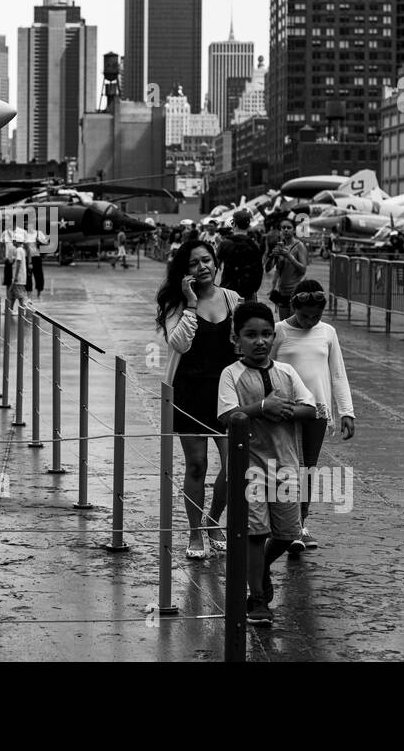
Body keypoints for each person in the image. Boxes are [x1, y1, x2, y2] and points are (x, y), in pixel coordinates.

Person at [217, 302, 318, 626]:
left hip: (286, 465)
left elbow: (311, 408)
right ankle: (257, 599)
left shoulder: (286, 372)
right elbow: (227, 415)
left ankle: (258, 571)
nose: (259, 341)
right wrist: (262, 406)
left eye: (265, 334)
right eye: (251, 335)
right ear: (237, 339)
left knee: (288, 534)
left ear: (274, 336)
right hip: (250, 467)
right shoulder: (231, 374)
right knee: (256, 532)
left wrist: (284, 410)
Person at [158, 241, 242, 559]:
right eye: (194, 263)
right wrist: (191, 304)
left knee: (235, 464)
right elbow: (178, 344)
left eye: (207, 260)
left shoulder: (233, 299)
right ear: (185, 271)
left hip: (227, 393)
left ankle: (212, 521)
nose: (202, 267)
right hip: (189, 391)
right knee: (197, 465)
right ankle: (195, 533)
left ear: (216, 263)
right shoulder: (176, 304)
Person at [271, 279, 355, 553]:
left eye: (316, 316)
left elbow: (337, 373)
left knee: (307, 469)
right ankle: (284, 524)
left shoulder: (328, 332)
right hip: (285, 411)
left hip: (317, 411)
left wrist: (346, 412)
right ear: (293, 307)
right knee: (286, 469)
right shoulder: (279, 331)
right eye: (305, 315)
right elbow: (266, 369)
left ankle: (301, 525)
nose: (310, 321)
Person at [217, 208, 265, 303]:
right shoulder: (254, 245)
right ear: (248, 225)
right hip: (248, 292)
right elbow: (259, 269)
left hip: (228, 292)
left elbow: (214, 267)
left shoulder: (225, 244)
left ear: (233, 223)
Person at [265, 216, 308, 320]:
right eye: (283, 227)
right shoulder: (280, 246)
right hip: (282, 292)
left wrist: (289, 256)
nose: (286, 230)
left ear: (294, 230)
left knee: (294, 325)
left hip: (295, 292)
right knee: (284, 324)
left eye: (289, 227)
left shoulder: (299, 245)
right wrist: (271, 256)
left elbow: (303, 269)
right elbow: (267, 269)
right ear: (280, 230)